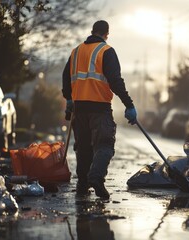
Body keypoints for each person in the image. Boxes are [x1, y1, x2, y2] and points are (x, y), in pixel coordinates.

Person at [62, 20, 137, 199]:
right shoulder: (106, 51)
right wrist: (129, 104)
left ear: (92, 31)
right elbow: (115, 81)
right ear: (106, 34)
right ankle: (95, 178)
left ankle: (82, 185)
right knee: (104, 144)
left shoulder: (76, 51)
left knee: (83, 147)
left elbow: (66, 78)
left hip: (79, 109)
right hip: (99, 108)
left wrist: (69, 100)